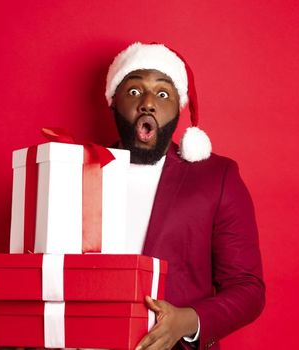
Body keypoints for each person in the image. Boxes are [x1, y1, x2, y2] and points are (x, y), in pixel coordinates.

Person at [105, 42, 265, 350]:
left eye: (163, 93)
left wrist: (187, 321)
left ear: (180, 107)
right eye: (134, 91)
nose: (148, 103)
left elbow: (248, 289)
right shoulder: (79, 170)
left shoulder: (217, 177)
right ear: (113, 101)